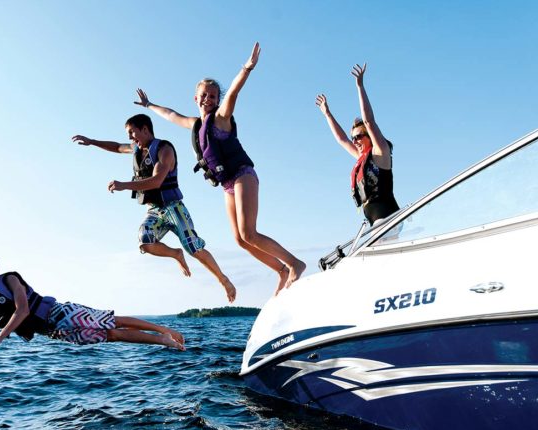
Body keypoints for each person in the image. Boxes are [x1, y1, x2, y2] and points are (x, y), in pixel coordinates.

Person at [134, 42, 305, 296]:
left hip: (242, 175)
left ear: (217, 101)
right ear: (196, 98)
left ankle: (294, 264)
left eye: (212, 96)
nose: (207, 99)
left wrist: (246, 69)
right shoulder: (194, 124)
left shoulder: (221, 118)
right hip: (227, 185)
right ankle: (280, 271)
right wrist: (149, 106)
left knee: (249, 232)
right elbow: (171, 115)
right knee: (240, 239)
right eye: (203, 95)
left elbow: (233, 93)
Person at [72, 114, 236, 302]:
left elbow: (157, 181)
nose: (130, 138)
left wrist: (124, 185)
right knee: (145, 241)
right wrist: (92, 142)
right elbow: (117, 147)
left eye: (132, 133)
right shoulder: (136, 149)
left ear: (145, 129)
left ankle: (224, 280)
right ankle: (176, 254)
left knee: (194, 247)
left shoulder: (164, 150)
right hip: (155, 210)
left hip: (174, 208)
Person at [0, 253, 185, 351]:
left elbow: (23, 308)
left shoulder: (10, 279)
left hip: (60, 313)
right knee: (112, 336)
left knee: (112, 320)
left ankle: (163, 329)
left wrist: (0, 337)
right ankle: (164, 341)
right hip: (55, 332)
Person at [315, 63, 399, 226]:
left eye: (359, 137)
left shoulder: (380, 153)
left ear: (370, 136)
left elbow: (369, 121)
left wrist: (360, 86)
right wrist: (327, 114)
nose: (355, 141)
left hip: (387, 219)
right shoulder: (362, 157)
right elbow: (342, 140)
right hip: (374, 220)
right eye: (354, 138)